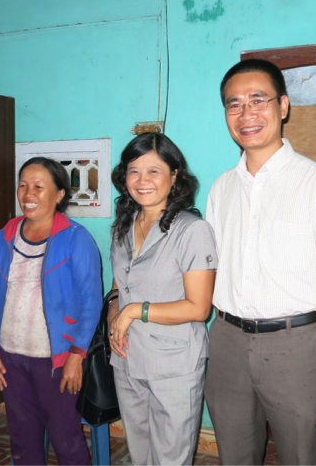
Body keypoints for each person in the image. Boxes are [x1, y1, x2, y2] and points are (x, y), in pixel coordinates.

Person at [204, 59, 316, 466]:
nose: (246, 114)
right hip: (226, 342)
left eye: (258, 100)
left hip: (297, 349)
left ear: (284, 106)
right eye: (234, 104)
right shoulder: (221, 189)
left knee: (302, 458)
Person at [0, 157, 102, 466]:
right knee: (22, 438)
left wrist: (77, 355)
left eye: (38, 187)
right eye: (23, 186)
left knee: (66, 438)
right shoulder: (4, 237)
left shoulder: (76, 238)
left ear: (59, 194)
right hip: (11, 356)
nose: (28, 194)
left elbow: (91, 302)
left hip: (57, 358)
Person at [106, 133, 217, 466]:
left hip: (174, 362)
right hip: (127, 357)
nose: (143, 180)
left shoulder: (192, 231)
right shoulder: (122, 226)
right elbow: (120, 283)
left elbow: (199, 308)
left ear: (174, 176)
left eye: (154, 171)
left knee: (170, 457)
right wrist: (115, 311)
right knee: (140, 453)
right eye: (134, 171)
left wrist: (133, 312)